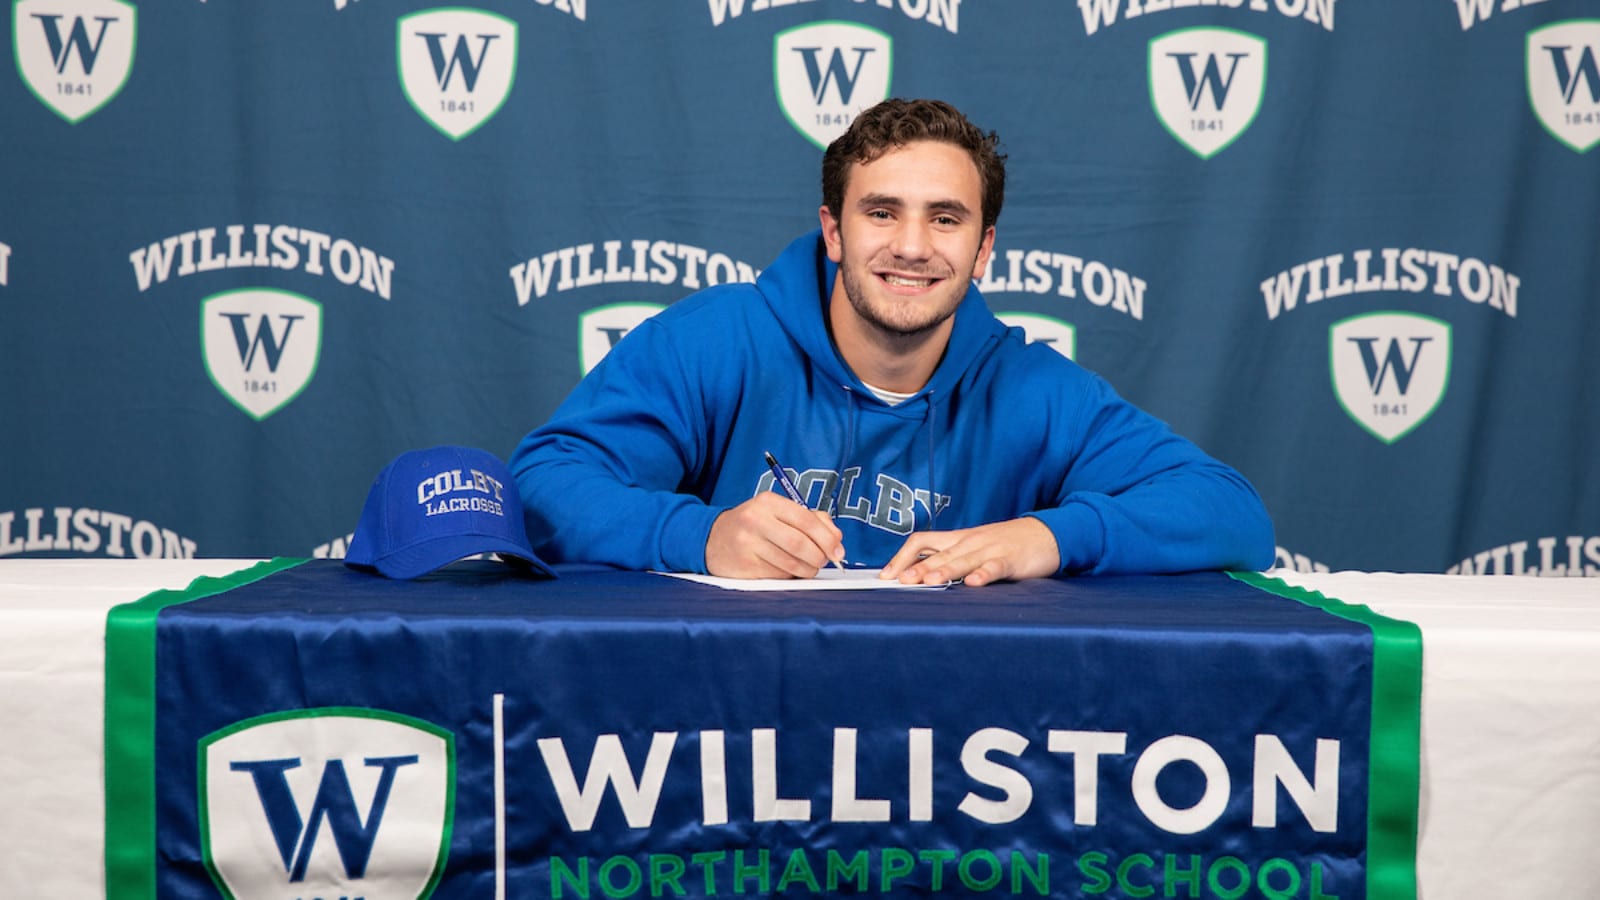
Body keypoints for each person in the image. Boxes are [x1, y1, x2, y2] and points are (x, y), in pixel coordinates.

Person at [509, 98, 1274, 585]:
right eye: (881, 213)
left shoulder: (1034, 389)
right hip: (733, 714)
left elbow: (1233, 513)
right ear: (833, 232)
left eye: (945, 218)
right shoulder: (716, 340)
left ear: (983, 250)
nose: (912, 246)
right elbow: (544, 481)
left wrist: (1045, 535)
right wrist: (700, 533)